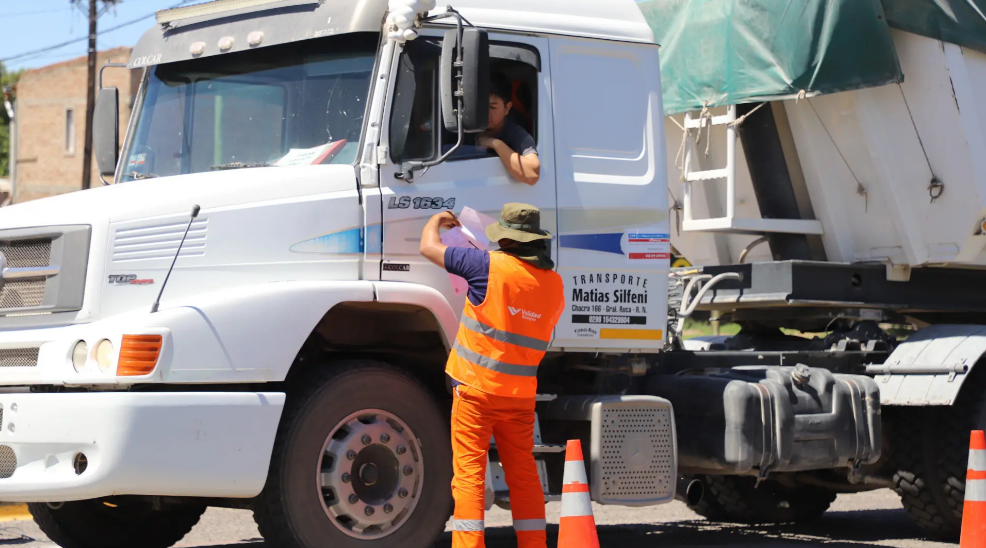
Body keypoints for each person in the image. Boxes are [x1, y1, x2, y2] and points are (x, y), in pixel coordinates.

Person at [419, 203, 565, 548]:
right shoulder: (554, 285)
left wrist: (436, 220)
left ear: (507, 239)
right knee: (523, 474)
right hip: (519, 395)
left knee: (469, 475)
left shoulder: (487, 265)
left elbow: (428, 247)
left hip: (474, 391)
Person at [478, 73, 541, 185]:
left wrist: (495, 144)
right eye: (480, 106)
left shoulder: (516, 134)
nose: (485, 113)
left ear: (507, 108)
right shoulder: (461, 129)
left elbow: (532, 175)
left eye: (493, 107)